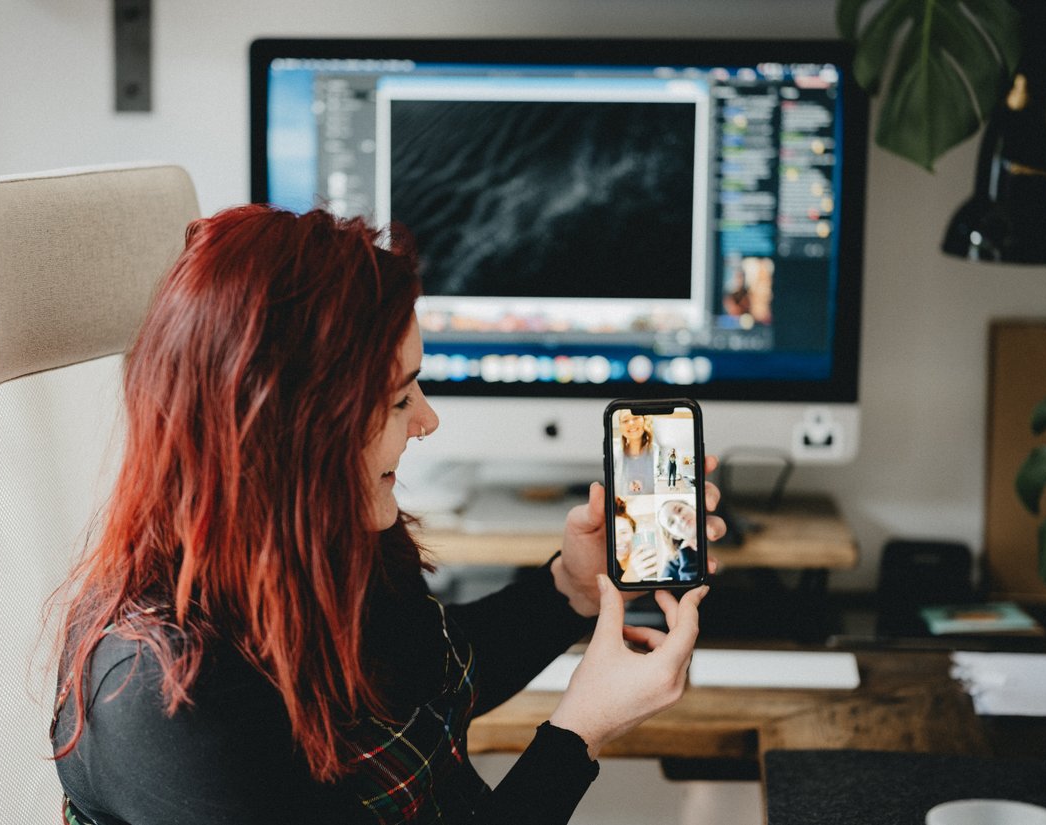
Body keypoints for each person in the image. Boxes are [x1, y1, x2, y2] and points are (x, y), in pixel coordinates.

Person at [50, 205, 725, 825]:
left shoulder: (329, 532)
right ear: (300, 427)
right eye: (400, 399)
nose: (429, 420)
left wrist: (569, 590)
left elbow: (428, 685)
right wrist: (578, 732)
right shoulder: (170, 701)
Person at [658, 499, 701, 582]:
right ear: (675, 536)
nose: (680, 518)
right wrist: (687, 556)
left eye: (679, 510)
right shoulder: (672, 568)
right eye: (672, 522)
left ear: (691, 507)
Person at [615, 410, 656, 495]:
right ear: (620, 426)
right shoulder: (614, 455)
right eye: (625, 420)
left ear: (644, 420)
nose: (631, 423)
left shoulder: (657, 452)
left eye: (636, 417)